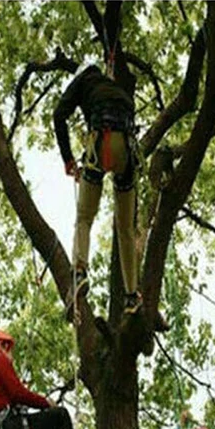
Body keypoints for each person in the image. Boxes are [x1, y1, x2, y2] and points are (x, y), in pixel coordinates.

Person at [53, 62, 141, 316]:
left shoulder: (81, 83)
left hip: (101, 145)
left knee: (84, 217)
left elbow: (59, 115)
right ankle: (131, 295)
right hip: (126, 150)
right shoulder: (114, 88)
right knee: (125, 228)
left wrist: (68, 159)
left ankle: (79, 270)